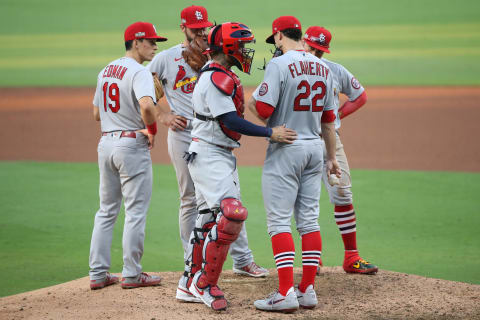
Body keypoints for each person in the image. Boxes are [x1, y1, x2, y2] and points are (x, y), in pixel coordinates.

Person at [147, 5, 269, 301]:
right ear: (183, 29)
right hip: (186, 135)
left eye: (204, 27)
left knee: (226, 200)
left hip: (216, 136)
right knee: (194, 201)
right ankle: (193, 265)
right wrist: (162, 118)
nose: (200, 32)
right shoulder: (166, 59)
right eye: (194, 28)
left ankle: (242, 261)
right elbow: (147, 94)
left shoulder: (214, 57)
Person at [183, 22, 297, 311]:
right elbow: (230, 121)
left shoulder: (220, 75)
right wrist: (271, 133)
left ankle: (187, 281)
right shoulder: (215, 79)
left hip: (213, 153)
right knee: (231, 215)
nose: (247, 51)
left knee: (208, 218)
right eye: (243, 46)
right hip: (210, 154)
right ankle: (205, 284)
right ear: (230, 47)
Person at [247, 16, 340, 312]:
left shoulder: (279, 65)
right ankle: (307, 289)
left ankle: (285, 292)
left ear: (278, 36)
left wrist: (250, 102)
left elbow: (263, 110)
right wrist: (332, 157)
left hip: (286, 147)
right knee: (309, 221)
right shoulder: (323, 67)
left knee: (278, 222)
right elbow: (328, 121)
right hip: (315, 148)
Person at [89, 21, 167, 290]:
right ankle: (132, 273)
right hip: (131, 145)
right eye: (150, 41)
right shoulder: (139, 71)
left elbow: (97, 114)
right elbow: (146, 105)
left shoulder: (105, 70)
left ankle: (98, 274)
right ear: (135, 42)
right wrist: (152, 128)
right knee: (135, 211)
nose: (155, 46)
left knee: (106, 210)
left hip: (106, 144)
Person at [302, 26, 378, 275]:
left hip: (329, 141)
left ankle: (351, 257)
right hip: (300, 140)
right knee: (303, 199)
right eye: (312, 47)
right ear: (303, 43)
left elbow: (360, 96)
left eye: (320, 50)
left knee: (343, 194)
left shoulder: (335, 70)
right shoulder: (289, 68)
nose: (316, 54)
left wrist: (335, 119)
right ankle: (313, 258)